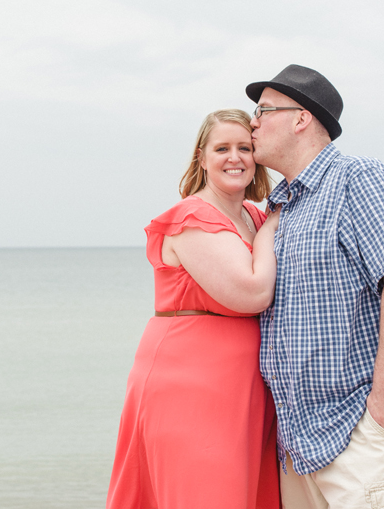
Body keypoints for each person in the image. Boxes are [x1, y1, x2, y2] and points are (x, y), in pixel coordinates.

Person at [245, 64, 384, 509]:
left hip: (363, 424)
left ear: (301, 118)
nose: (252, 123)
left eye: (263, 110)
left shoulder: (359, 179)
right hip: (301, 440)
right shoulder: (282, 208)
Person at [107, 109, 282, 509]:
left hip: (246, 388)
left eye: (244, 147)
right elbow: (252, 292)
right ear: (202, 158)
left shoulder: (253, 216)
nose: (234, 157)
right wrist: (275, 224)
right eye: (222, 148)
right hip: (192, 385)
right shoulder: (193, 217)